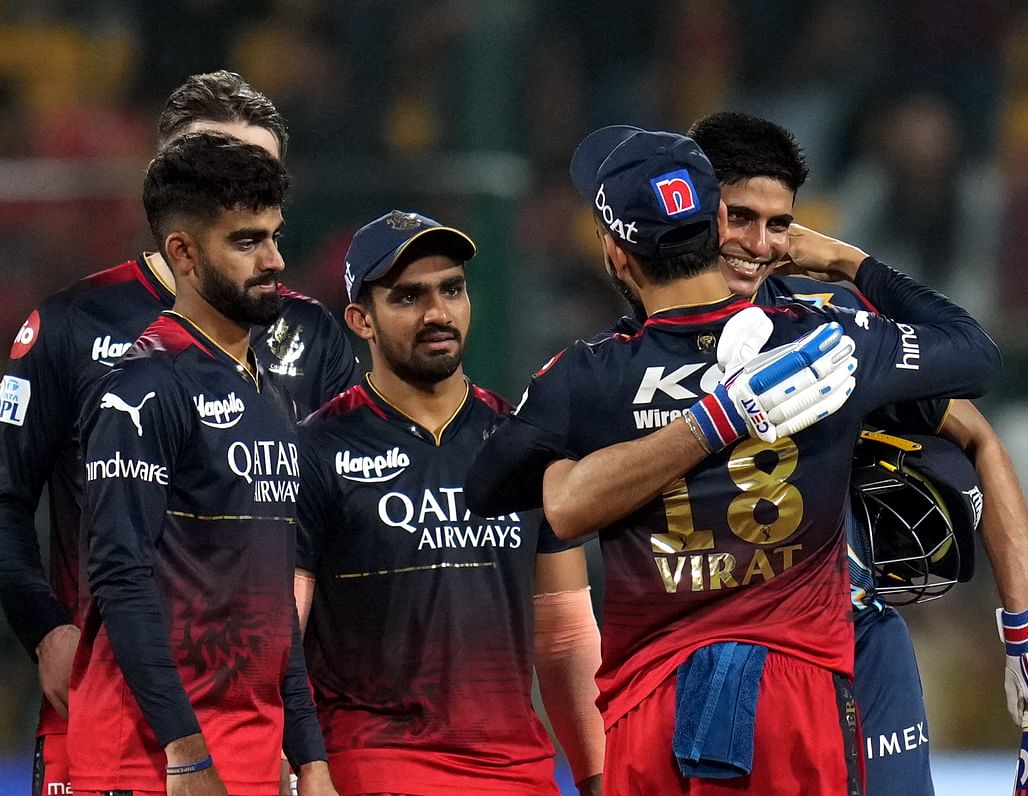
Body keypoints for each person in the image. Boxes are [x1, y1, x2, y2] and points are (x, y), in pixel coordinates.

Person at [466, 125, 1003, 794]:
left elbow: (486, 487)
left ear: (615, 253)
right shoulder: (824, 342)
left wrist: (608, 451)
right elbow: (973, 352)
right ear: (719, 220)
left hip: (648, 703)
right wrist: (845, 262)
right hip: (796, 695)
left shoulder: (585, 377)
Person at [686, 110, 1028, 792]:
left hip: (857, 649)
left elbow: (975, 418)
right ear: (695, 210)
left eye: (780, 224)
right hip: (708, 659)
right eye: (738, 217)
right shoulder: (629, 354)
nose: (758, 244)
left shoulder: (826, 330)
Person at [0, 70, 357, 796]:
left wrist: (300, 728)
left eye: (257, 173)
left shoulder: (312, 337)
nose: (234, 181)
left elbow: (326, 525)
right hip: (115, 707)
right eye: (211, 165)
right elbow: (7, 502)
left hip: (264, 716)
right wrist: (45, 628)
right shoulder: (75, 324)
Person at [294, 211, 605, 795]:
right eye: (409, 296)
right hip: (376, 769)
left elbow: (564, 634)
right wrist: (309, 767)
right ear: (361, 319)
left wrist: (596, 776)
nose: (438, 312)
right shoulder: (314, 450)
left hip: (518, 775)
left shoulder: (526, 442)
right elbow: (281, 637)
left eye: (451, 289)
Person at [70, 132, 335, 796]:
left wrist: (311, 758)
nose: (273, 259)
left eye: (274, 237)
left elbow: (274, 603)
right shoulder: (143, 387)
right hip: (150, 759)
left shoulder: (267, 392)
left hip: (249, 752)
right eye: (246, 242)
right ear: (183, 253)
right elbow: (119, 577)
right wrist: (185, 753)